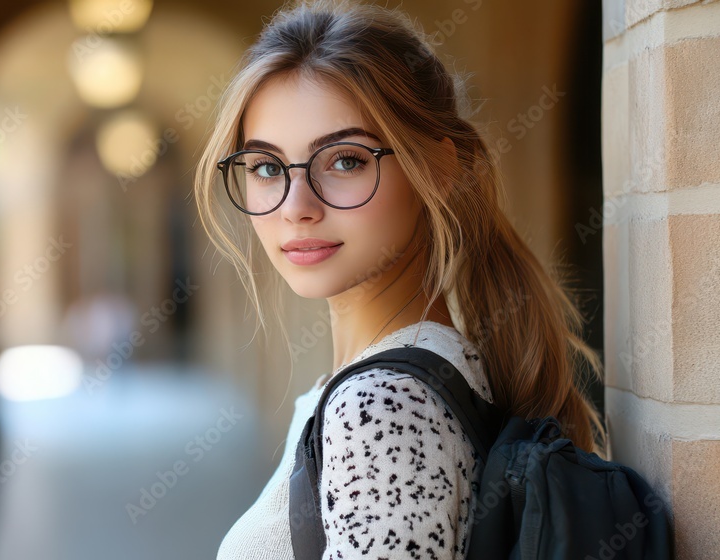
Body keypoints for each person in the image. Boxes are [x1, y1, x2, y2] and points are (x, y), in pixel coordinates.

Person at [192, 1, 605, 558]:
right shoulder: (388, 385)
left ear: (435, 167)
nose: (296, 207)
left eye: (344, 161)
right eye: (267, 168)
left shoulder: (381, 409)